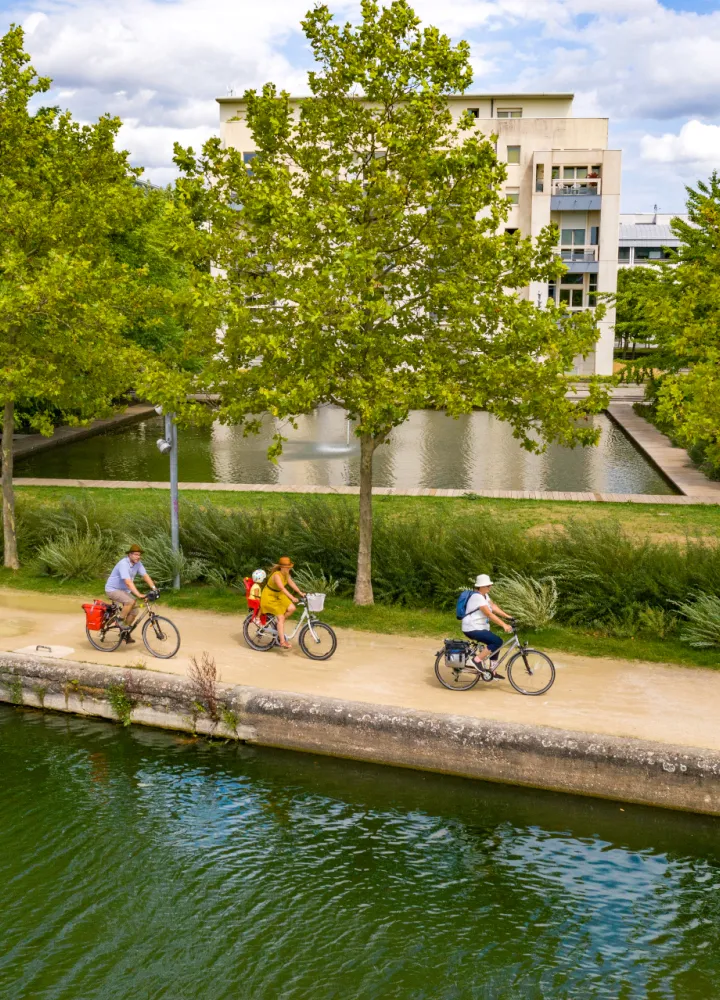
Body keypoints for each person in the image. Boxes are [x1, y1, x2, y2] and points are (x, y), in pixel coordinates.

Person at [461, 573, 512, 675]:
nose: (490, 587)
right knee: (497, 642)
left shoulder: (484, 595)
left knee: (496, 642)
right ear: (481, 587)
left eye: (490, 585)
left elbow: (493, 607)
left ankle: (492, 670)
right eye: (488, 586)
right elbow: (489, 614)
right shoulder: (477, 597)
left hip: (479, 627)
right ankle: (476, 660)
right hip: (472, 628)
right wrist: (504, 625)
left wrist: (508, 616)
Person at [105, 544, 157, 643]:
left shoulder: (138, 564)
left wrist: (154, 588)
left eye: (139, 555)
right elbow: (128, 582)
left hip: (124, 591)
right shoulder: (123, 564)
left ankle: (124, 633)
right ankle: (119, 621)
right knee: (130, 601)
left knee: (134, 612)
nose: (138, 556)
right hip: (113, 589)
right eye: (136, 554)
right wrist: (139, 595)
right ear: (130, 554)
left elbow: (145, 576)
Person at [259, 556, 305, 649]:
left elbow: (291, 583)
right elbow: (282, 588)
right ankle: (282, 641)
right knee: (281, 618)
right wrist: (292, 597)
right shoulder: (277, 575)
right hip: (269, 596)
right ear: (282, 567)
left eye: (289, 567)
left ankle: (279, 624)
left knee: (292, 608)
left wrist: (300, 593)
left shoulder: (286, 574)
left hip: (279, 595)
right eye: (288, 567)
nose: (289, 569)